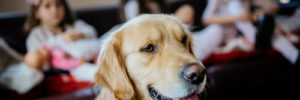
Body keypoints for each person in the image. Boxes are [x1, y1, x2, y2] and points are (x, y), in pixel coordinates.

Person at [24, 0, 99, 70]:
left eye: (58, 4)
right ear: (36, 13)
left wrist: (78, 35)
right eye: (47, 6)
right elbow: (35, 62)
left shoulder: (73, 26)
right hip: (70, 68)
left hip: (92, 55)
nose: (54, 10)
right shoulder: (36, 36)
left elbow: (93, 32)